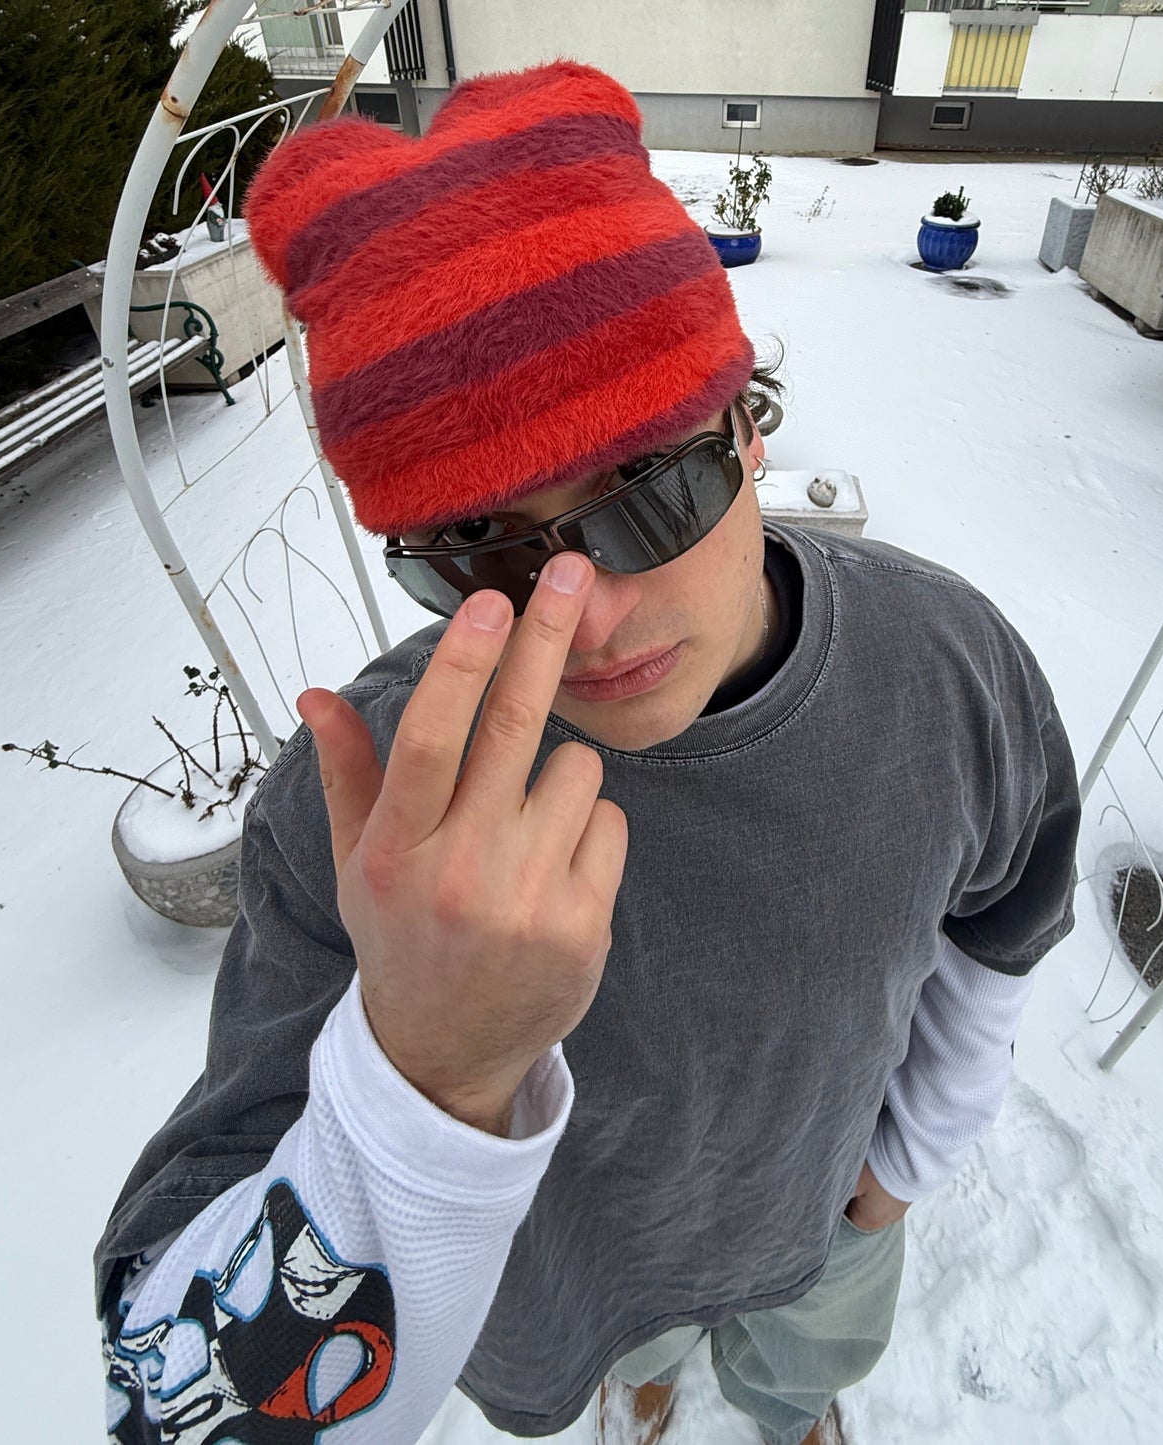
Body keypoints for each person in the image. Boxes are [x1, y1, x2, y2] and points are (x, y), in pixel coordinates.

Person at [94, 60, 1080, 1445]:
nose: (589, 611)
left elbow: (1002, 924)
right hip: (581, 1277)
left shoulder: (946, 668)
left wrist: (896, 1174)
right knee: (646, 1345)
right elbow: (185, 1407)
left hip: (819, 1211)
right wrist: (423, 1072)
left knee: (805, 1358)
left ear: (746, 426)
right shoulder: (371, 807)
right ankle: (653, 1383)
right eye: (478, 548)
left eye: (649, 487)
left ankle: (788, 1412)